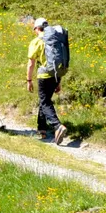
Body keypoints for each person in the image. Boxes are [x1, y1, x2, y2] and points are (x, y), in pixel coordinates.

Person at [26, 17, 68, 145]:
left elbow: (31, 63)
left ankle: (57, 126)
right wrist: (59, 81)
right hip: (56, 75)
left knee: (45, 102)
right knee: (44, 100)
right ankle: (42, 129)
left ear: (37, 28)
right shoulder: (55, 39)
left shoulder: (36, 41)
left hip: (44, 76)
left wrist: (29, 80)